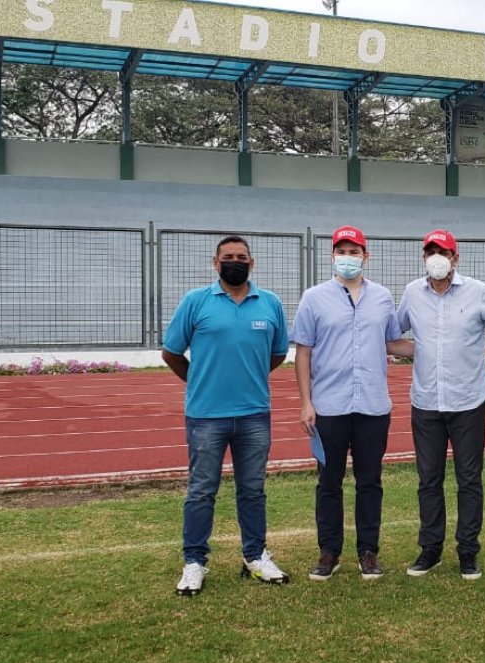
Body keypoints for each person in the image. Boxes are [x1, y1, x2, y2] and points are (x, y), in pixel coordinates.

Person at [162, 235, 291, 595]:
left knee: (252, 490)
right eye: (228, 257)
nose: (235, 261)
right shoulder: (195, 301)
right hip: (206, 416)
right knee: (202, 490)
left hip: (254, 415)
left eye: (242, 256)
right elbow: (171, 353)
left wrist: (249, 378)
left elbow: (277, 354)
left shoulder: (270, 303)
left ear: (252, 263)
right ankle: (194, 562)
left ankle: (254, 557)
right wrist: (199, 380)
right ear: (215, 263)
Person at [292, 226, 412, 582]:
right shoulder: (313, 298)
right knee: (329, 481)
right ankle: (329, 551)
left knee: (369, 481)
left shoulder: (382, 297)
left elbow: (393, 342)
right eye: (342, 250)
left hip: (373, 406)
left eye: (354, 250)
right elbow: (303, 352)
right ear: (333, 255)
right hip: (329, 407)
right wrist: (305, 402)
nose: (348, 256)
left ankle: (368, 552)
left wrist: (439, 347)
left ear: (366, 255)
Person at [397, 229, 485, 580]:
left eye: (442, 251)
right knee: (428, 480)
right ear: (423, 257)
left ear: (455, 258)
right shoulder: (413, 293)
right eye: (430, 252)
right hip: (427, 402)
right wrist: (421, 351)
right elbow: (391, 331)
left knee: (469, 479)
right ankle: (430, 549)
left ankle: (468, 551)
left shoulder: (477, 291)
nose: (436, 258)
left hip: (467, 402)